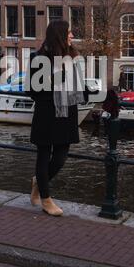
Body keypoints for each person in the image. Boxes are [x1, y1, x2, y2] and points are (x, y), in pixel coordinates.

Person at [26, 20, 88, 217]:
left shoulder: (72, 57)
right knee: (44, 155)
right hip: (47, 113)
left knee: (60, 158)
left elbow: (79, 85)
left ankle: (39, 182)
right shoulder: (38, 58)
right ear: (59, 35)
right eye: (69, 33)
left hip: (67, 113)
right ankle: (46, 199)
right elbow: (31, 90)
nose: (71, 36)